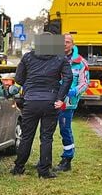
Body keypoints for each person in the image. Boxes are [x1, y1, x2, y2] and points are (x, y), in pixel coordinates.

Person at [11, 28, 71, 178]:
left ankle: (19, 167)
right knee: (46, 137)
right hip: (50, 101)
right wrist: (60, 98)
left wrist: (30, 87)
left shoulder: (28, 58)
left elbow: (19, 79)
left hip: (31, 101)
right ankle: (44, 170)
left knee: (27, 136)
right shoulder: (60, 58)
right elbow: (68, 78)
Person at [53, 33, 88, 172]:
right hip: (51, 99)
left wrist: (71, 92)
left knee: (64, 129)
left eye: (67, 42)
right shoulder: (54, 59)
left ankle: (67, 159)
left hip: (67, 103)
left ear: (72, 44)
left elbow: (84, 83)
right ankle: (45, 159)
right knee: (46, 129)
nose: (64, 44)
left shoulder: (80, 63)